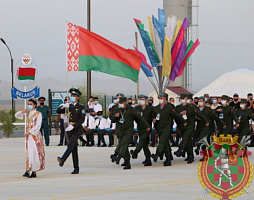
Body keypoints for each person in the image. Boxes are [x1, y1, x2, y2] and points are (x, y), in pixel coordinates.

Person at [111, 97, 150, 170]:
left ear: (125, 103)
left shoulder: (131, 110)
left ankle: (119, 156)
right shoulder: (117, 109)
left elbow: (139, 118)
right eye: (120, 103)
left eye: (122, 103)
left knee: (124, 143)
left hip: (128, 130)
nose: (121, 105)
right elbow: (112, 119)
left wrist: (146, 126)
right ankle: (127, 162)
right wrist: (115, 116)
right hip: (119, 130)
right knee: (123, 145)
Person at [152, 93, 187, 166]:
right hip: (159, 127)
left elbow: (177, 116)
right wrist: (154, 120)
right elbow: (153, 117)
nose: (161, 100)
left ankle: (157, 154)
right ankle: (168, 159)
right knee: (165, 144)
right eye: (160, 98)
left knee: (161, 141)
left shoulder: (169, 108)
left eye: (162, 98)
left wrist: (183, 122)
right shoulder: (156, 108)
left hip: (167, 128)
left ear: (166, 99)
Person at [57, 88, 85, 174]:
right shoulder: (69, 106)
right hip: (69, 129)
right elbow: (58, 111)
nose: (72, 97)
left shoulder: (81, 107)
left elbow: (82, 119)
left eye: (74, 96)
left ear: (78, 97)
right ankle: (76, 168)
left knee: (70, 144)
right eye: (72, 95)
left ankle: (63, 159)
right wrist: (63, 106)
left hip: (77, 129)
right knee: (74, 150)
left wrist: (73, 126)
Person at [174, 93, 209, 164]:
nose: (182, 100)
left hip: (190, 126)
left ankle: (180, 149)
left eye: (184, 99)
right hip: (182, 126)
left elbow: (198, 114)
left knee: (185, 138)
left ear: (186, 99)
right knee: (188, 141)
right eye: (181, 99)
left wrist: (205, 121)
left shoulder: (191, 107)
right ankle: (190, 155)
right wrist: (180, 115)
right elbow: (176, 116)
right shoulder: (178, 107)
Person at [15, 98, 45, 178]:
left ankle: (34, 171)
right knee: (29, 153)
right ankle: (28, 170)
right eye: (28, 104)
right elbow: (17, 115)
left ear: (35, 105)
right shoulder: (27, 113)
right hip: (28, 136)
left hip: (35, 136)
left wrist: (30, 132)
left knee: (34, 152)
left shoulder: (38, 114)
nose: (29, 105)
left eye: (31, 104)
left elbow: (38, 125)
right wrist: (22, 111)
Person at [130, 94, 154, 166]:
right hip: (140, 127)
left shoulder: (150, 108)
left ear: (146, 100)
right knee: (144, 144)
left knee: (142, 140)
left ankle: (136, 151)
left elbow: (153, 117)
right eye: (140, 99)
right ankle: (148, 159)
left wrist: (154, 120)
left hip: (147, 127)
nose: (142, 101)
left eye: (143, 99)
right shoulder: (137, 108)